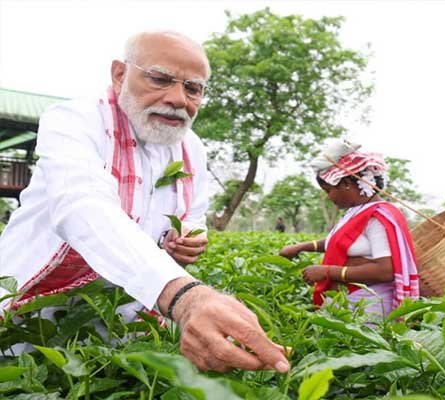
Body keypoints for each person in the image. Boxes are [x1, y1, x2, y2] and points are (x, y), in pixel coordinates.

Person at [0, 31, 289, 373]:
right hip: (35, 310)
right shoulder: (75, 120)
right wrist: (184, 296)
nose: (179, 99)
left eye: (193, 88)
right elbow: (81, 204)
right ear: (120, 74)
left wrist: (189, 239)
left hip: (126, 311)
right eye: (160, 79)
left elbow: (193, 214)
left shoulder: (191, 148)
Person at [278, 139, 419, 317]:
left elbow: (386, 271)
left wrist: (327, 271)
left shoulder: (378, 216)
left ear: (346, 184)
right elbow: (340, 241)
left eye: (329, 190)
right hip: (351, 302)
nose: (328, 197)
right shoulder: (357, 211)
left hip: (370, 307)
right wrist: (301, 247)